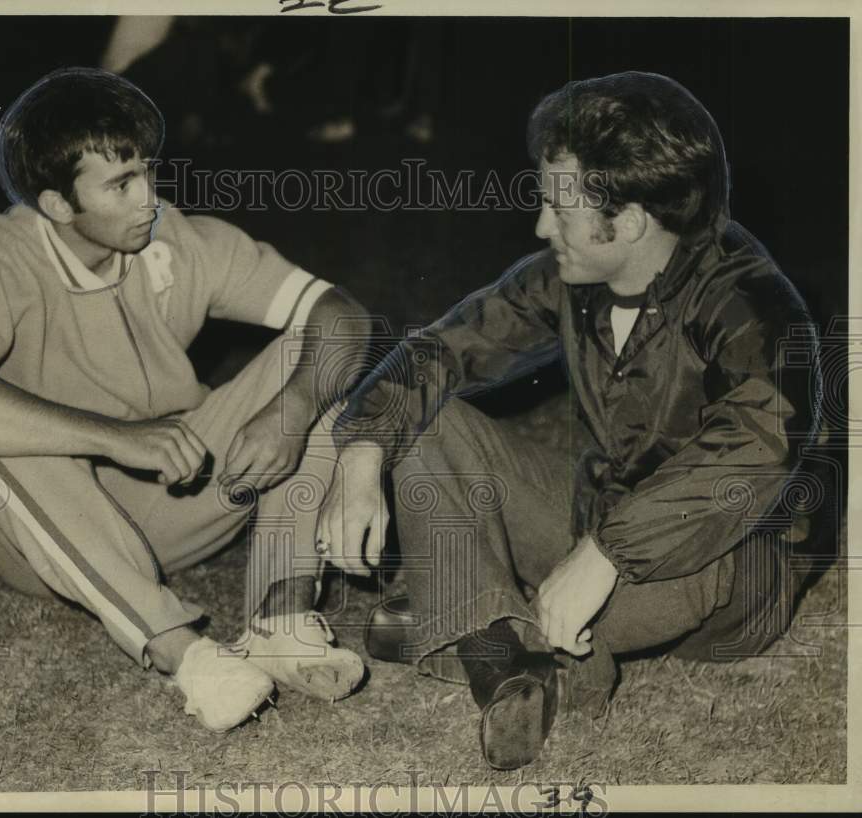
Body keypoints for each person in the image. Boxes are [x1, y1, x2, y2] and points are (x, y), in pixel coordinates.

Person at [315, 71, 823, 769]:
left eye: (561, 209)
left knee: (666, 549)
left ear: (633, 221)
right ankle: (503, 654)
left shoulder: (751, 303)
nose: (540, 227)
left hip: (721, 563)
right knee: (426, 423)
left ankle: (479, 627)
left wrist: (606, 552)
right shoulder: (569, 277)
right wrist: (362, 449)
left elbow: (755, 450)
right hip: (604, 516)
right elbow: (440, 350)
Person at [0, 67, 371, 733]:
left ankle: (282, 619)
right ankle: (188, 657)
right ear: (58, 205)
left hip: (169, 500)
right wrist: (116, 436)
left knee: (319, 358)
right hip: (42, 533)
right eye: (120, 184)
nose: (148, 197)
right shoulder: (1, 258)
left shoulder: (177, 241)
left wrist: (293, 409)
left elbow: (342, 314)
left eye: (148, 171)